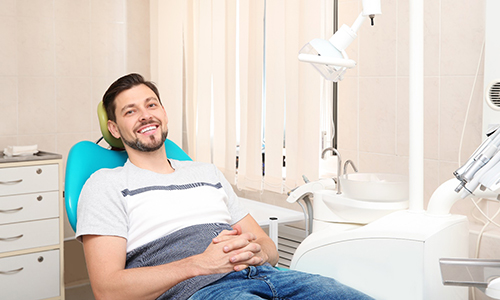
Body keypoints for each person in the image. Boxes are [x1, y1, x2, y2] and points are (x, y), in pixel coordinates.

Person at [76, 73, 374, 300]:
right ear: (114, 128)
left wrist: (259, 253)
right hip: (200, 290)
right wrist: (200, 265)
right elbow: (108, 289)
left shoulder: (207, 173)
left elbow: (269, 248)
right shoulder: (105, 184)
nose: (145, 115)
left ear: (164, 113)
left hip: (269, 277)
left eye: (151, 105)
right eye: (130, 111)